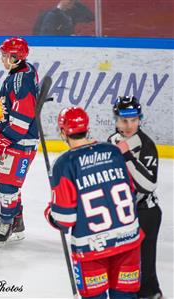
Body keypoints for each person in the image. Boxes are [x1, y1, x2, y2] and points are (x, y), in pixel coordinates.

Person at [44, 106, 144, 299]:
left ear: (63, 132)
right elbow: (132, 191)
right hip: (128, 241)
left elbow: (65, 220)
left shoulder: (64, 164)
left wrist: (50, 213)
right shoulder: (114, 152)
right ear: (87, 127)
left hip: (91, 248)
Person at [0, 37, 39, 247]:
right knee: (7, 181)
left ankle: (6, 224)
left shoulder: (20, 80)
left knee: (7, 184)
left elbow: (23, 119)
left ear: (16, 57)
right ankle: (17, 224)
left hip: (19, 140)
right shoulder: (24, 72)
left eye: (7, 55)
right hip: (16, 138)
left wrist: (4, 137)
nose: (3, 58)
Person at [108, 96, 163, 299]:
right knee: (125, 267)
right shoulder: (111, 141)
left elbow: (149, 185)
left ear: (140, 119)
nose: (129, 125)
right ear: (116, 120)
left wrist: (128, 156)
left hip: (146, 213)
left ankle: (152, 295)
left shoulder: (147, 145)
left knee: (146, 268)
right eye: (124, 120)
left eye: (133, 120)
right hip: (122, 215)